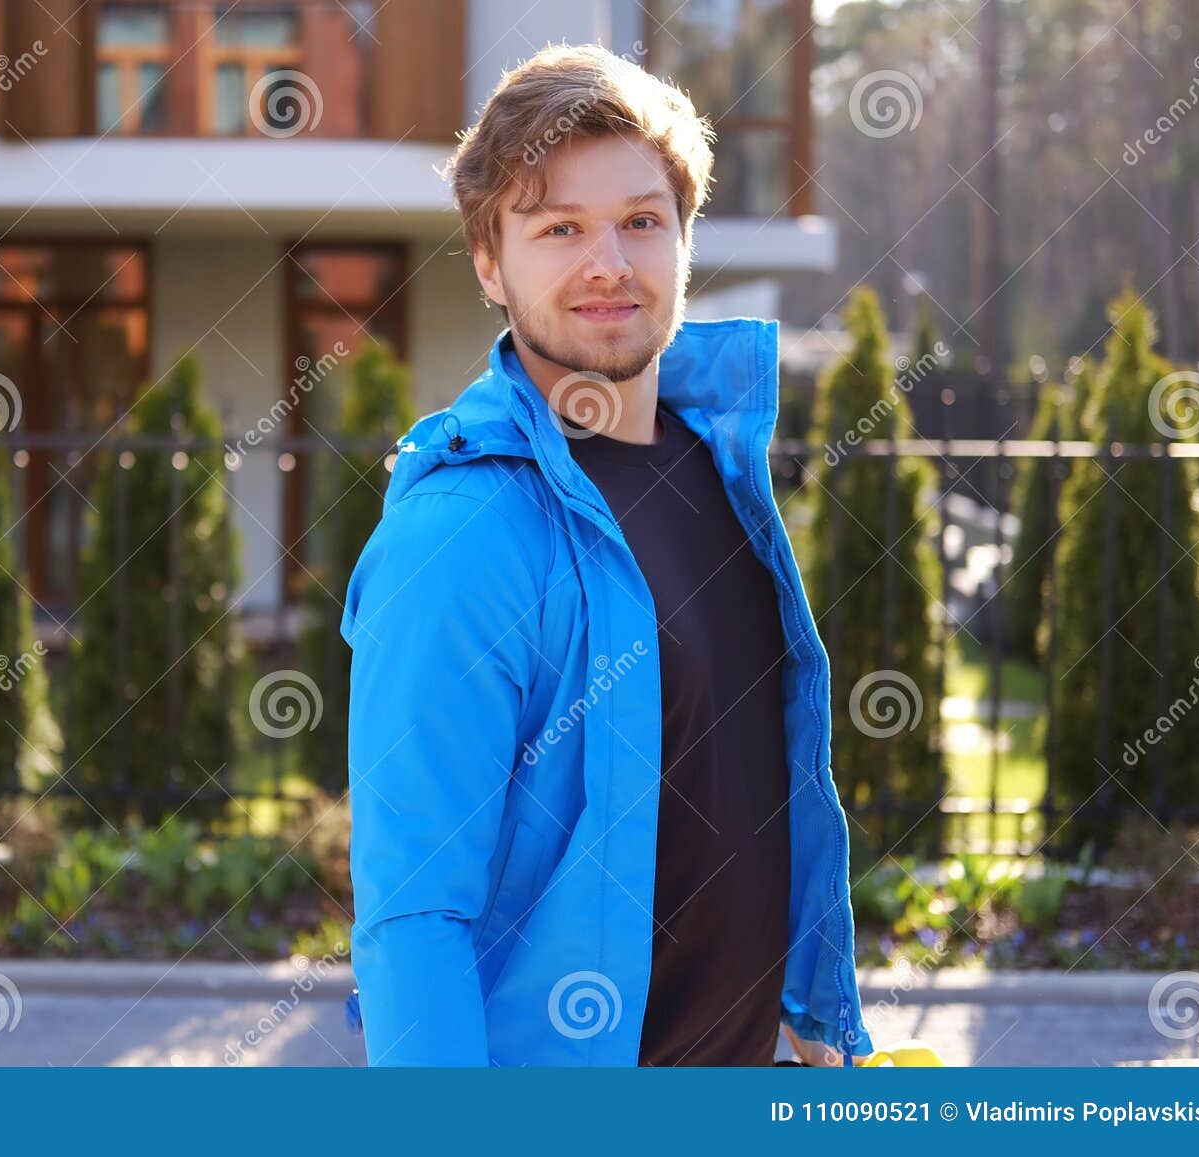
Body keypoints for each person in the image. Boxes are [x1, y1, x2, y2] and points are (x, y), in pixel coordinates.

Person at [338, 43, 874, 1068]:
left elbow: (743, 786)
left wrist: (805, 1027)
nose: (608, 263)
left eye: (640, 221)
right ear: (490, 262)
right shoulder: (461, 531)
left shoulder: (718, 473)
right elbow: (413, 920)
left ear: (682, 239)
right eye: (558, 228)